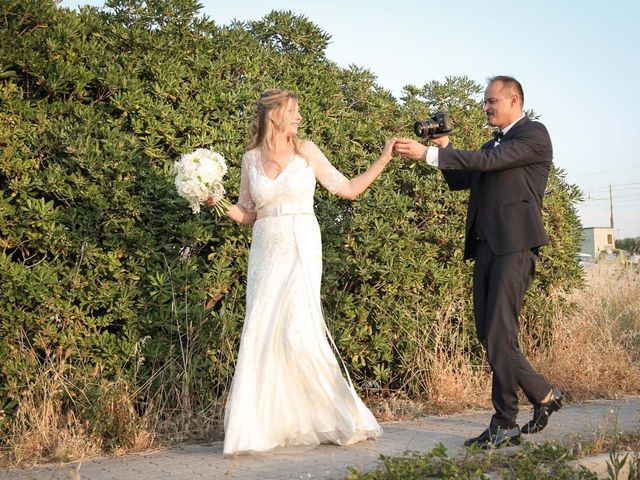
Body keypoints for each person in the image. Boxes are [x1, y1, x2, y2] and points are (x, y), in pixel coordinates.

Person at [213, 88, 395, 455]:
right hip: (266, 246)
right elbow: (247, 213)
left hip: (302, 243)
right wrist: (216, 201)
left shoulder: (306, 150)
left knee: (298, 331)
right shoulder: (250, 158)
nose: (298, 116)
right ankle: (262, 428)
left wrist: (383, 159)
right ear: (273, 115)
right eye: (292, 110)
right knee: (263, 329)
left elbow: (346, 188)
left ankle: (338, 416)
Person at [394, 76, 563, 449]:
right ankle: (545, 394)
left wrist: (427, 154)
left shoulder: (533, 135)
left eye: (491, 101)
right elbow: (465, 179)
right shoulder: (493, 144)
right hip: (486, 247)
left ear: (513, 100)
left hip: (515, 246)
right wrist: (444, 145)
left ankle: (505, 421)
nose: (485, 107)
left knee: (501, 334)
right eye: (485, 102)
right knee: (489, 335)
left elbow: (490, 162)